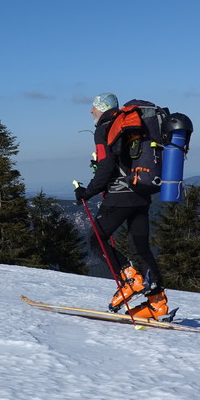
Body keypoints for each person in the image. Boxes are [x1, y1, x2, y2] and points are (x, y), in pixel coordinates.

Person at [74, 92, 168, 318]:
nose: (91, 111)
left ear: (103, 107)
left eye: (94, 107)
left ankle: (130, 279)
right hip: (142, 192)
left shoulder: (105, 127)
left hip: (121, 194)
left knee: (96, 238)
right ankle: (158, 304)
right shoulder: (130, 123)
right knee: (140, 248)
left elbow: (106, 167)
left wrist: (87, 192)